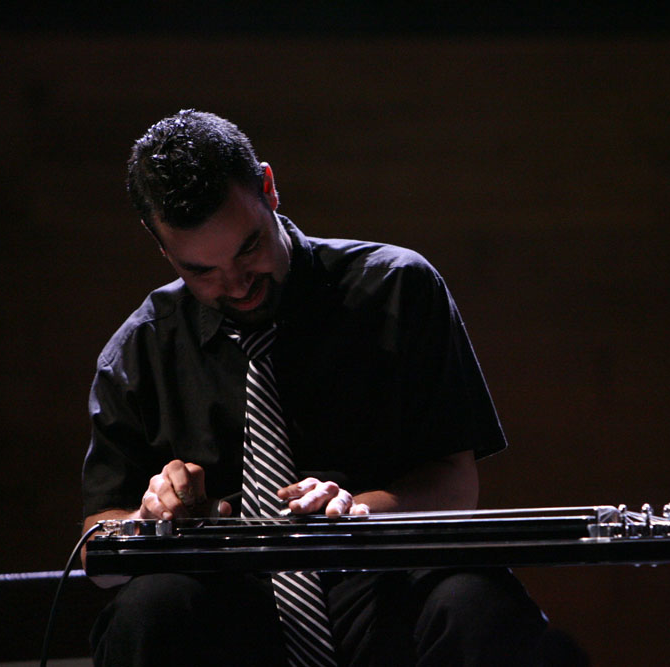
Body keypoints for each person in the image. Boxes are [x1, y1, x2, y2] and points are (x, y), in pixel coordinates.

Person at [81, 109, 547, 666]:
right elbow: (96, 547)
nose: (237, 285)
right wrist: (150, 523)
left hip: (381, 585)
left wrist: (355, 511)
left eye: (248, 248)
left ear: (269, 188)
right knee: (148, 610)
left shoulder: (397, 288)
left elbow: (455, 484)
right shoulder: (141, 349)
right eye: (201, 271)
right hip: (231, 613)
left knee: (477, 599)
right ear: (162, 247)